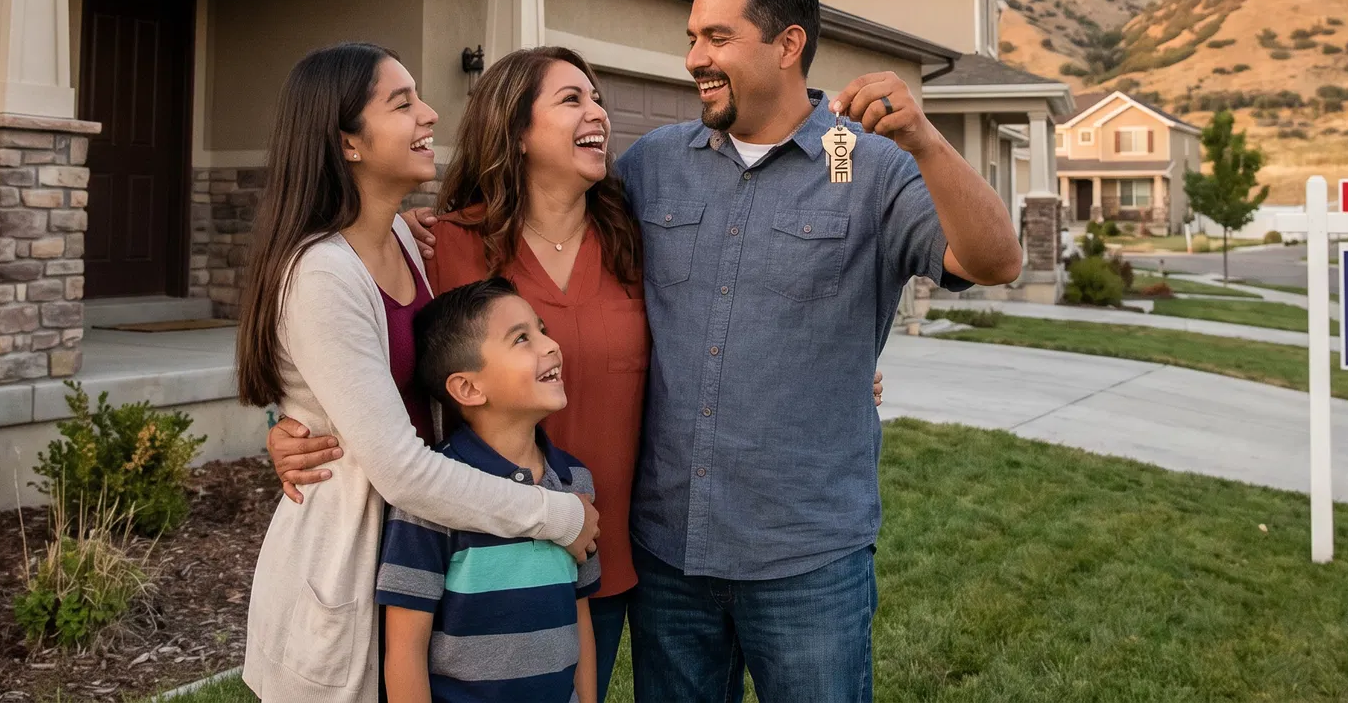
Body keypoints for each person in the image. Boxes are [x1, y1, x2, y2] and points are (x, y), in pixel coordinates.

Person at [266, 47, 890, 696]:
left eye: (597, 97)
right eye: (572, 99)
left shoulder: (637, 239)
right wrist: (295, 419)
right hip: (476, 557)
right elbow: (373, 359)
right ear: (516, 131)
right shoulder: (439, 245)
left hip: (612, 551)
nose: (597, 111)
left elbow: (734, 315)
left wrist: (834, 369)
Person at [616, 0, 1023, 702]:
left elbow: (996, 261)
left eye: (717, 38)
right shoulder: (653, 165)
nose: (694, 59)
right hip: (672, 552)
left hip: (807, 561)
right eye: (693, 38)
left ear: (788, 44)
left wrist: (927, 141)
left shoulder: (865, 166)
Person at [235, 42, 597, 703]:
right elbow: (398, 466)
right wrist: (557, 516)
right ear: (347, 142)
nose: (430, 113)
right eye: (402, 103)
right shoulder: (320, 274)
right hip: (347, 561)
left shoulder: (402, 238)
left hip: (421, 549)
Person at [377, 277, 601, 703]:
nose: (550, 345)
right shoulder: (432, 497)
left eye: (543, 330)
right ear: (468, 388)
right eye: (522, 338)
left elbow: (581, 617)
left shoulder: (574, 481)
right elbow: (404, 650)